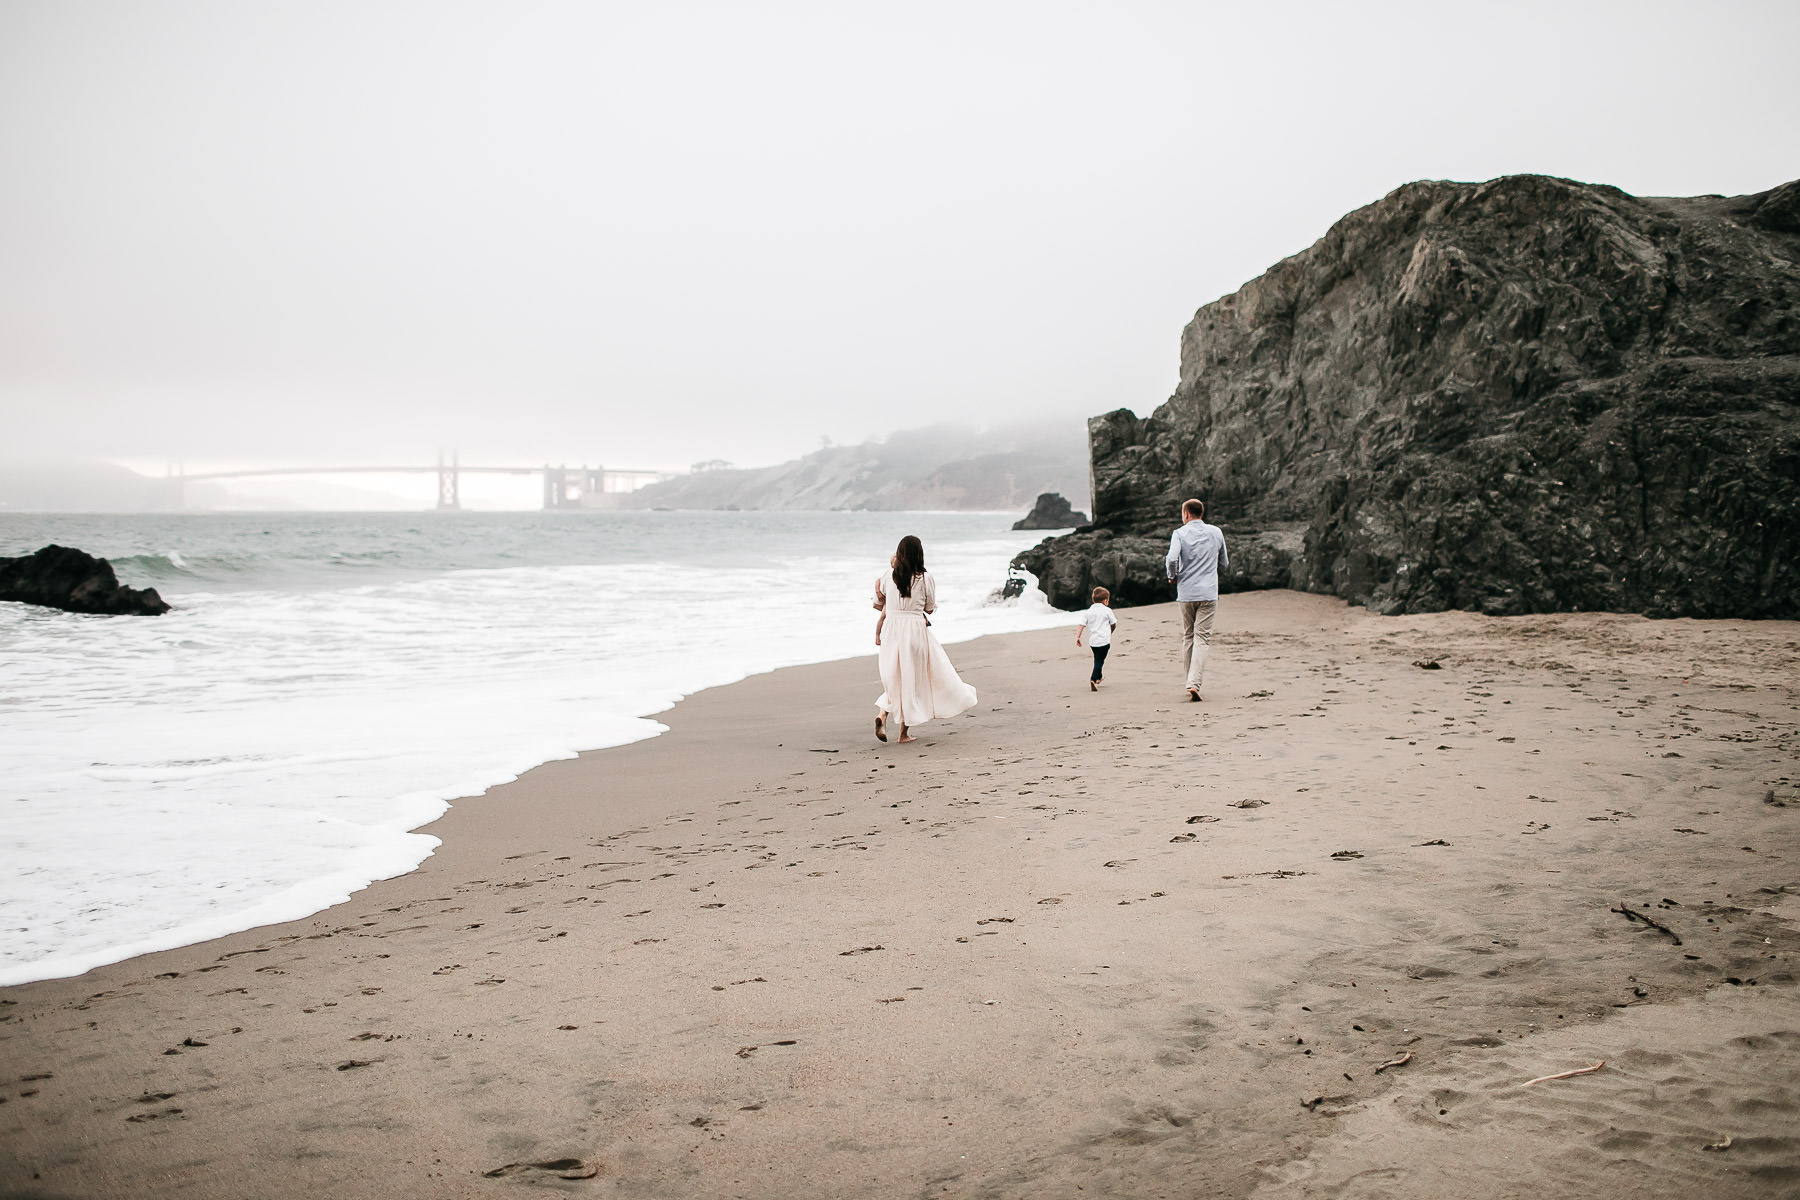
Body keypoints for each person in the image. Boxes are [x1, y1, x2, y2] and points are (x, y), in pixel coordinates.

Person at [872, 535, 977, 743]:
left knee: (894, 678)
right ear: (919, 555)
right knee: (911, 679)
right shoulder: (925, 578)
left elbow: (878, 603)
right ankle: (903, 734)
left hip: (891, 630)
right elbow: (929, 607)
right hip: (914, 630)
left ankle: (882, 714)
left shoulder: (887, 575)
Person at [1165, 498, 1229, 701]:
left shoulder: (1179, 533)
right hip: (1209, 593)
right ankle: (1193, 682)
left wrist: (1172, 575)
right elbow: (1224, 562)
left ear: (1186, 514)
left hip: (1186, 593)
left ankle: (1190, 682)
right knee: (1202, 638)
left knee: (1188, 636)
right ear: (1201, 513)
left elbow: (1171, 558)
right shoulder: (1216, 532)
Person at [1075, 585, 1116, 691]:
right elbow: (1113, 623)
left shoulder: (1089, 612)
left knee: (1098, 659)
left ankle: (1099, 677)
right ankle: (1093, 679)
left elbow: (1081, 625)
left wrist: (1078, 637)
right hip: (1104, 641)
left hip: (1093, 642)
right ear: (1105, 600)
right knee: (1099, 661)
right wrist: (1110, 631)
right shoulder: (1107, 610)